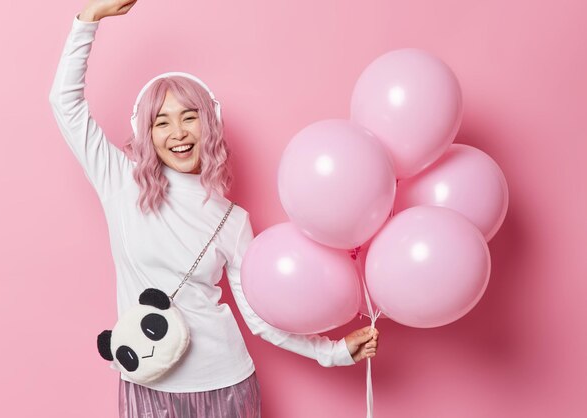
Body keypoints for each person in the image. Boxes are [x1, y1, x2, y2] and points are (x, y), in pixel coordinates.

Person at [48, 1, 379, 417]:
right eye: (162, 122)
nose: (179, 133)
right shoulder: (120, 181)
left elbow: (259, 318)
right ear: (145, 132)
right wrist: (89, 19)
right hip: (146, 380)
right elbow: (65, 104)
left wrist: (332, 352)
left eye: (190, 117)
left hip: (224, 382)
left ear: (209, 124)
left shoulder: (232, 219)